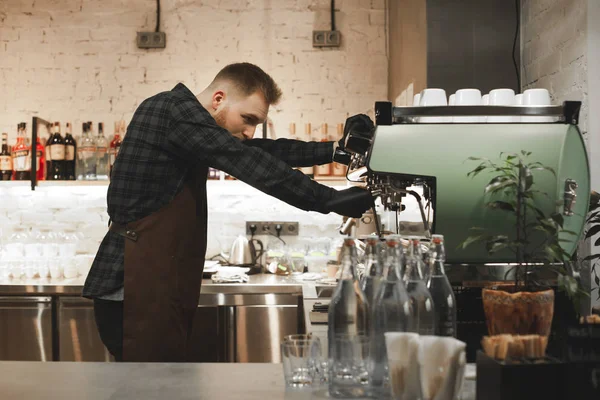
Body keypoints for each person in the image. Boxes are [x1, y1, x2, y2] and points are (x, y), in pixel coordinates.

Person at [83, 62, 375, 362]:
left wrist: (336, 151)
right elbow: (243, 159)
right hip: (133, 284)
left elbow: (259, 152)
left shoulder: (186, 124)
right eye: (247, 119)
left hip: (153, 280)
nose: (249, 132)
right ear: (219, 99)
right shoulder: (172, 111)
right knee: (151, 387)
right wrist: (326, 199)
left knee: (162, 385)